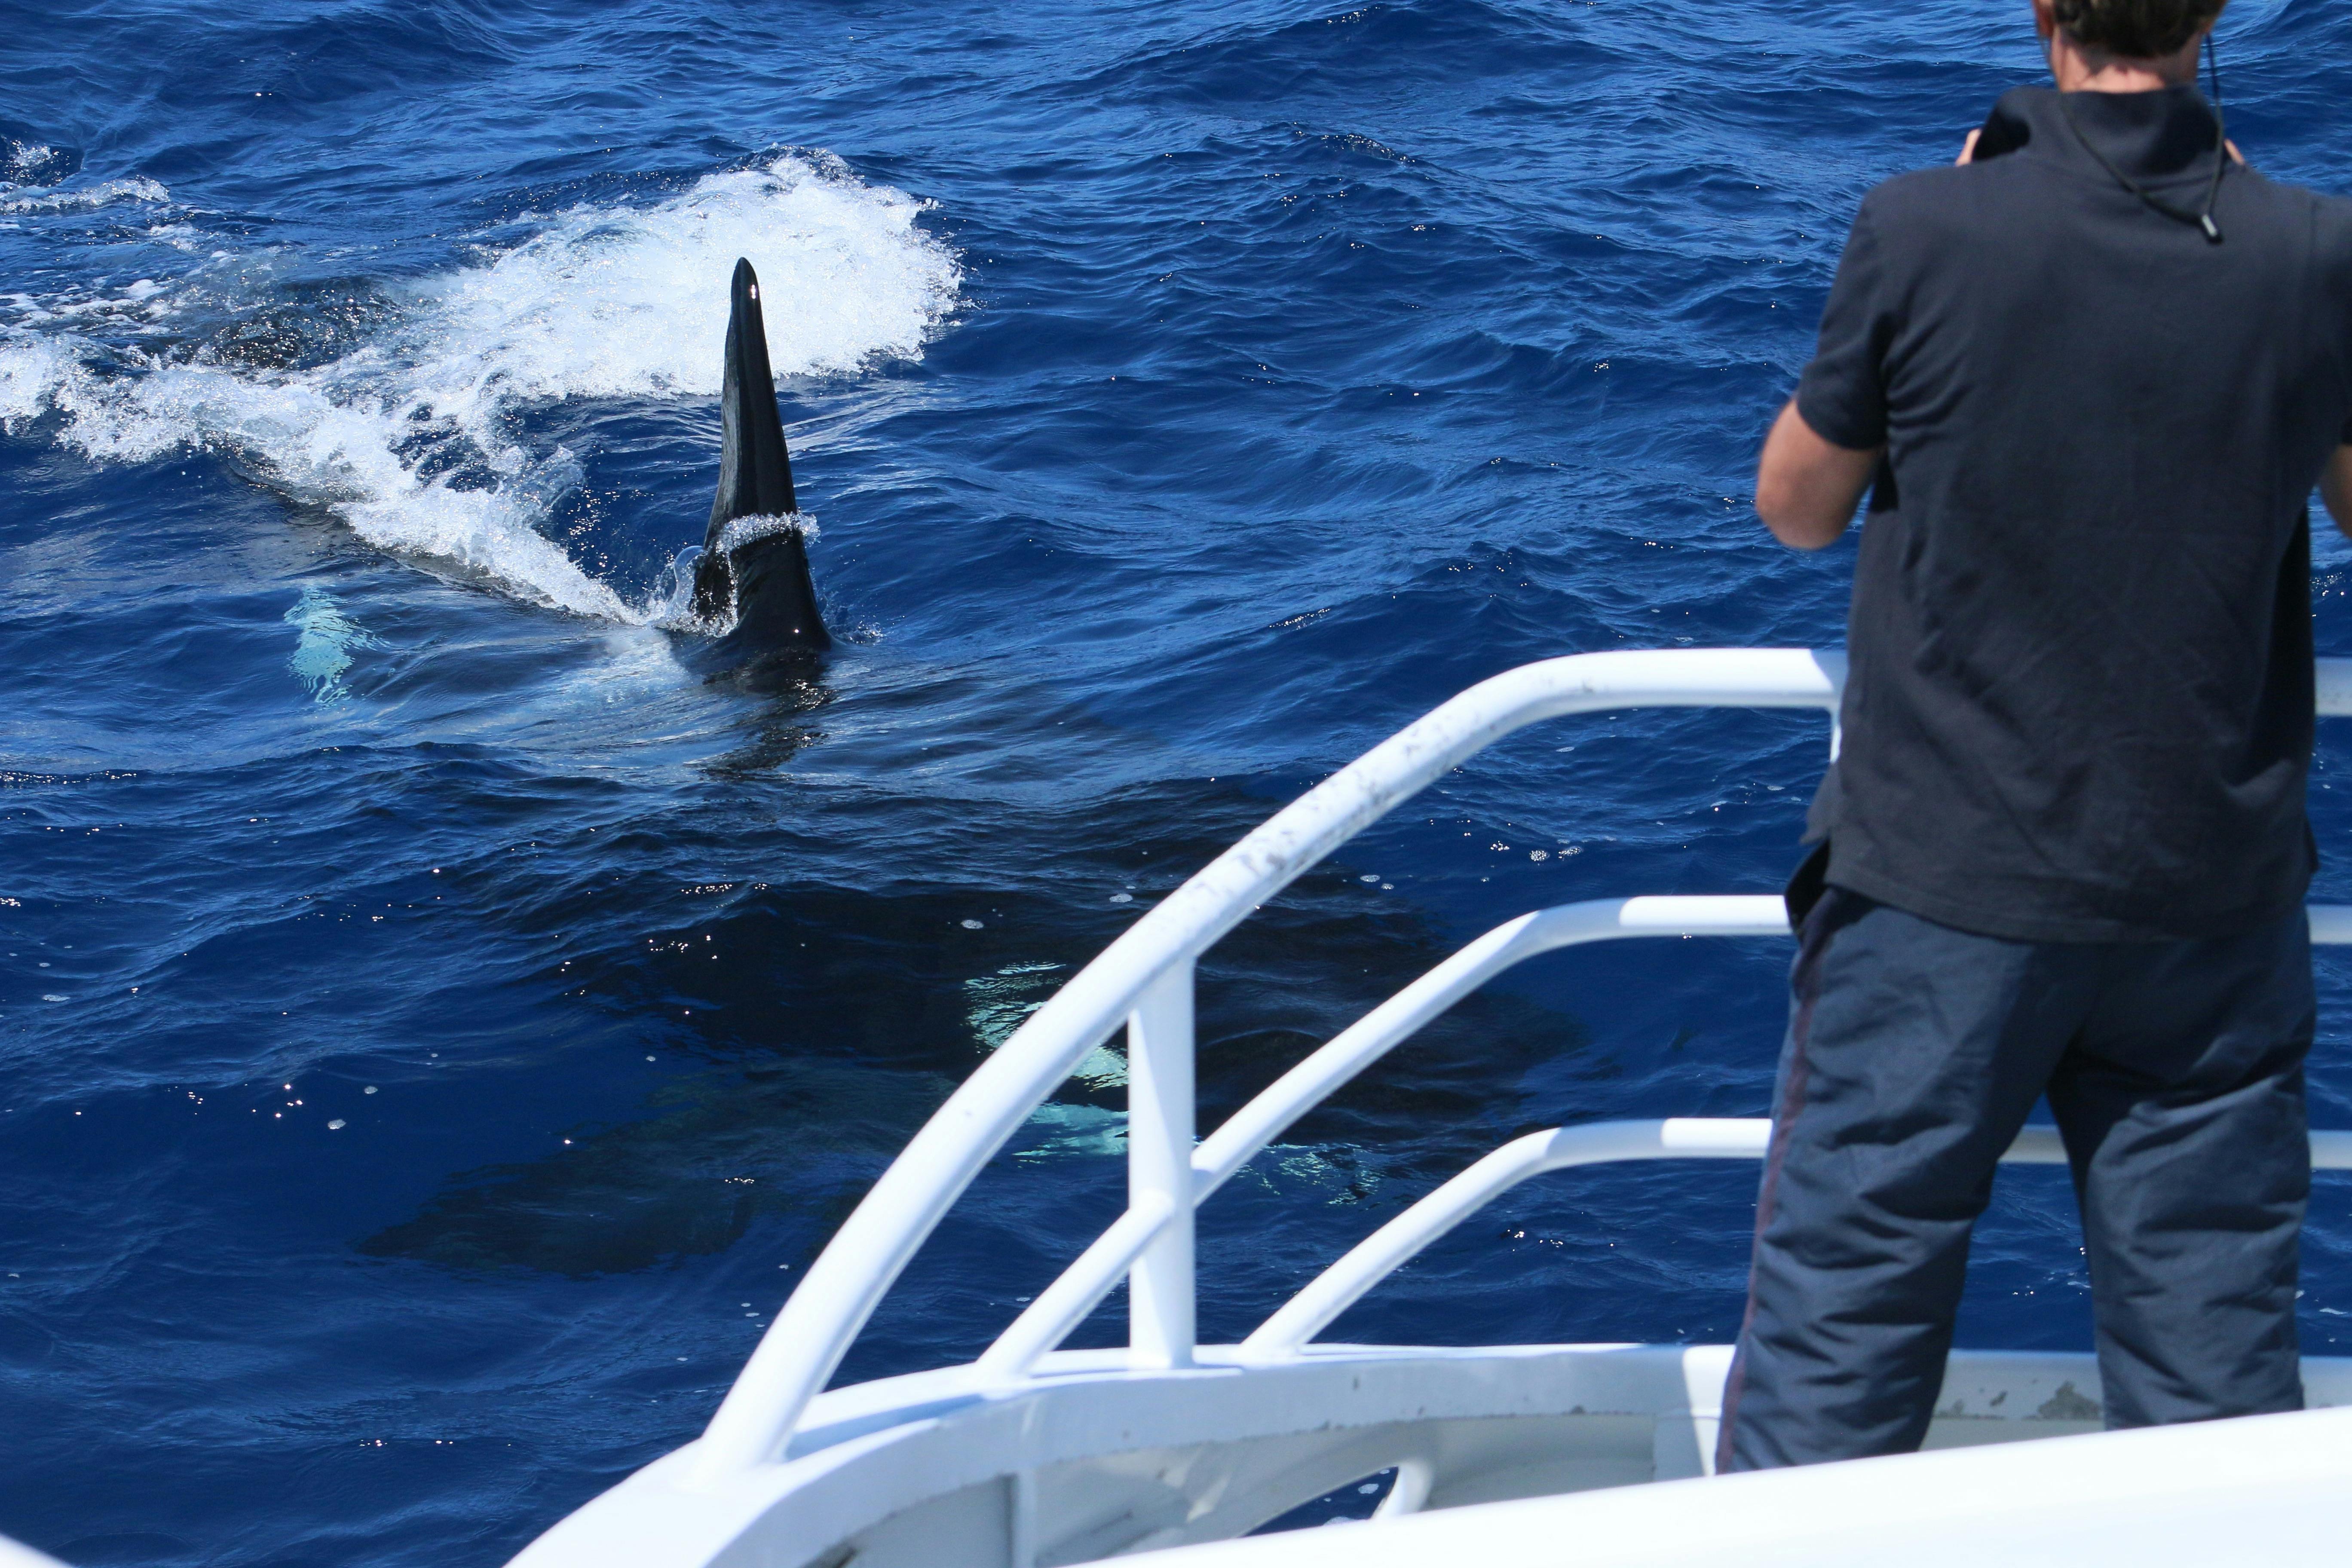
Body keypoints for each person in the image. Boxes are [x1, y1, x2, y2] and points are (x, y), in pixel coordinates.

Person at [1719, 0, 2352, 1471]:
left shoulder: (1925, 225)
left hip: (1945, 886)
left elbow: (1796, 509)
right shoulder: (2313, 249)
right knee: (2210, 1381)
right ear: (2209, 22)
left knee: (1844, 1331)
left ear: (2047, 14)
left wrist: (1959, 219)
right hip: (2207, 895)